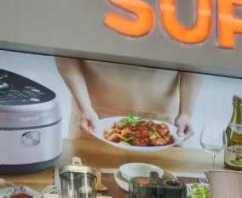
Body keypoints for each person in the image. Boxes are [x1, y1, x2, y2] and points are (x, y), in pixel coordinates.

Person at [55, 57, 199, 139]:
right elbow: (66, 52)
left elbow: (195, 57)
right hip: (93, 115)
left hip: (164, 119)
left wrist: (186, 113)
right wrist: (85, 108)